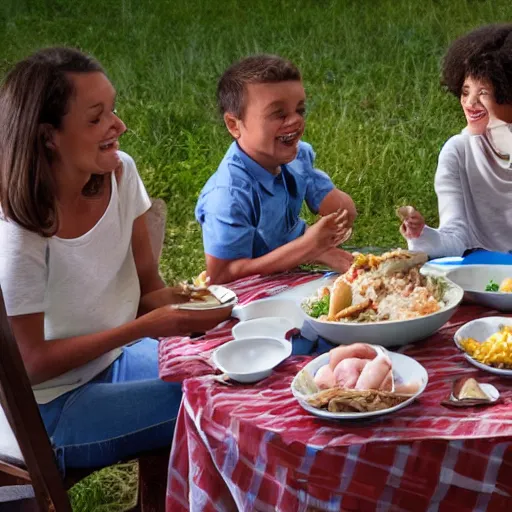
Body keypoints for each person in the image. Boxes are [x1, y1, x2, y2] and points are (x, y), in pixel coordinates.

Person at [0, 47, 225, 473]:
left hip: (115, 361)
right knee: (215, 402)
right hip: (48, 414)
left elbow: (147, 292)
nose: (118, 125)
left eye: (113, 110)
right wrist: (141, 329)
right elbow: (29, 366)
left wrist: (198, 306)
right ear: (49, 135)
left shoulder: (120, 173)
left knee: (242, 367)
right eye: (96, 117)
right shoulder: (19, 230)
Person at [195, 54, 357, 284]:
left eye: (299, 110)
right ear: (234, 125)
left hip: (294, 261)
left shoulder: (296, 156)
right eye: (279, 114)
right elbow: (221, 275)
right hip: (249, 288)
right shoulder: (228, 195)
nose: (294, 121)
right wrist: (307, 247)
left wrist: (340, 213)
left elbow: (333, 203)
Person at [399, 24, 512, 258]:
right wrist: (422, 234)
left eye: (483, 93)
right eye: (465, 91)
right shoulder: (457, 153)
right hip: (479, 278)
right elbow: (454, 240)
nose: (470, 103)